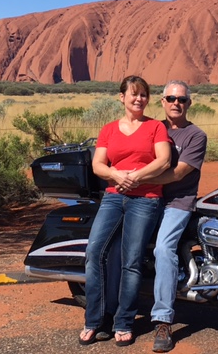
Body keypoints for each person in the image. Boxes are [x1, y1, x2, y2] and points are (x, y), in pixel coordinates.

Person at [79, 75, 171, 347]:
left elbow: (164, 160)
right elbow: (98, 164)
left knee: (131, 261)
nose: (139, 99)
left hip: (146, 198)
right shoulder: (108, 129)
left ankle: (123, 322)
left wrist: (137, 176)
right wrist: (118, 176)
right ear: (122, 97)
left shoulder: (155, 127)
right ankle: (94, 320)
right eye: (134, 94)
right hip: (113, 197)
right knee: (95, 253)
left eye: (144, 95)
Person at [147, 80, 208, 352]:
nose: (176, 103)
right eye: (170, 98)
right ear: (162, 101)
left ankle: (162, 320)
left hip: (178, 202)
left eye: (181, 99)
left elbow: (179, 172)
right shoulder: (153, 128)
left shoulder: (196, 135)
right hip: (147, 198)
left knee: (163, 248)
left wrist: (137, 180)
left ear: (188, 104)